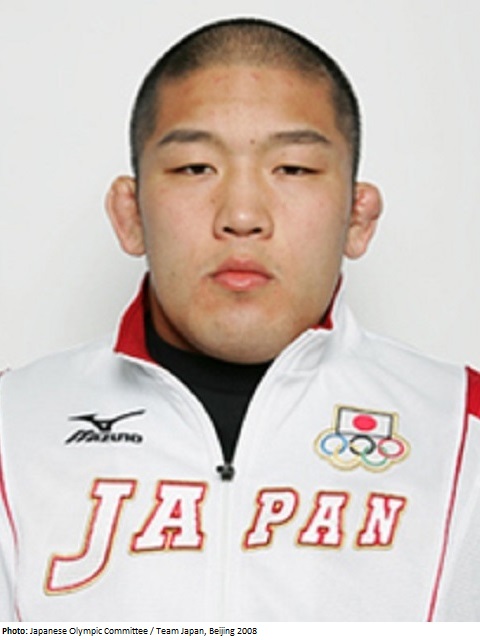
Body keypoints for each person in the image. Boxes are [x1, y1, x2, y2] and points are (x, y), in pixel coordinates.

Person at [1, 17, 479, 623]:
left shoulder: (463, 430)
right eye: (195, 168)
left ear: (358, 218)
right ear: (131, 215)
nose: (244, 215)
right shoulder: (11, 431)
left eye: (294, 168)